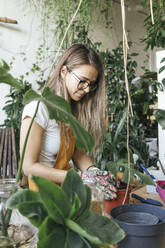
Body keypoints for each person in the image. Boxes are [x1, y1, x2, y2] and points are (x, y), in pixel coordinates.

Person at [20, 43, 117, 200]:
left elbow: (76, 151)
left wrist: (94, 172)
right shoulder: (38, 108)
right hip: (42, 198)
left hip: (65, 194)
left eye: (91, 84)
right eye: (83, 81)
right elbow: (29, 167)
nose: (86, 89)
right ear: (64, 71)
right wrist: (79, 179)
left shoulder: (69, 109)